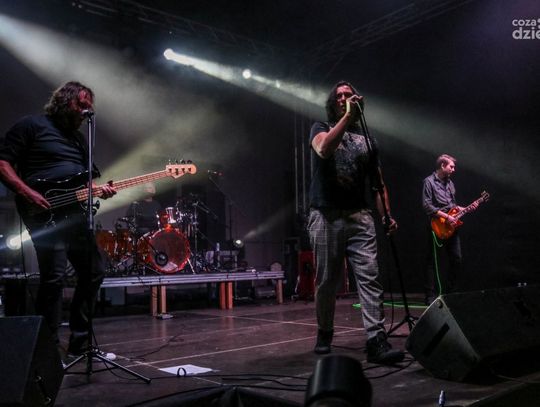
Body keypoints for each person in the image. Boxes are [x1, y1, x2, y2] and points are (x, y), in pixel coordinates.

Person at [0, 81, 117, 360]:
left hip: (74, 213)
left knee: (94, 270)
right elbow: (2, 163)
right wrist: (26, 192)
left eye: (89, 106)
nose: (86, 110)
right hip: (42, 210)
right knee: (53, 277)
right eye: (81, 104)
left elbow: (81, 181)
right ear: (64, 101)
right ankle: (47, 349)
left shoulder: (79, 140)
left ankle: (80, 343)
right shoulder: (32, 125)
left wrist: (100, 190)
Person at [307, 80, 404, 364]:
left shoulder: (368, 139)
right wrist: (347, 117)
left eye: (348, 95)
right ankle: (325, 333)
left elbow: (378, 184)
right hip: (326, 214)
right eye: (339, 96)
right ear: (333, 102)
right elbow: (323, 150)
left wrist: (386, 215)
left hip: (360, 216)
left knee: (370, 278)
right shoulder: (320, 127)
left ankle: (376, 340)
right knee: (327, 281)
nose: (344, 98)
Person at [422, 154, 477, 305]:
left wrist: (465, 208)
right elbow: (427, 206)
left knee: (456, 259)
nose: (454, 169)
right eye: (451, 166)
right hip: (437, 225)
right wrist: (446, 217)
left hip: (451, 227)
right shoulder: (429, 182)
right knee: (432, 261)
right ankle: (430, 295)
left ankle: (450, 293)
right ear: (442, 166)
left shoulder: (450, 183)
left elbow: (453, 206)